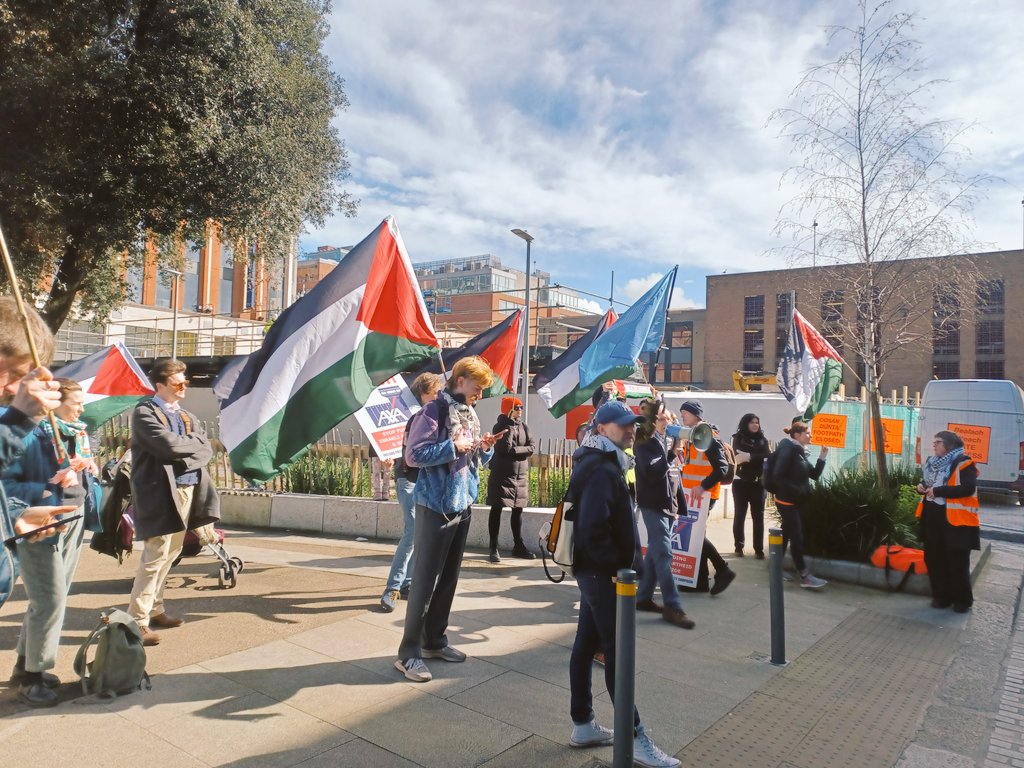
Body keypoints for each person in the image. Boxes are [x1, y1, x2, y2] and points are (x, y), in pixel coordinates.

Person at [567, 399, 679, 768]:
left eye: (632, 424)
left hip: (595, 572)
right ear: (602, 429)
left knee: (586, 645)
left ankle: (583, 724)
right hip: (604, 574)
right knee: (618, 654)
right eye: (622, 425)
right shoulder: (601, 468)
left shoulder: (602, 460)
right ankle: (635, 737)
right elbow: (591, 530)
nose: (631, 429)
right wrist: (620, 569)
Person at [395, 356, 503, 683]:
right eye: (477, 387)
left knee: (449, 579)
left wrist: (483, 448)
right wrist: (452, 445)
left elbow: (473, 458)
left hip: (461, 503)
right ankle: (408, 654)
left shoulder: (468, 413)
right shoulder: (434, 411)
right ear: (460, 380)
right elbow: (414, 455)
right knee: (425, 582)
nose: (480, 395)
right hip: (435, 505)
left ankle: (434, 641)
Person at [3, 378, 102, 707]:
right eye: (76, 401)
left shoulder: (77, 433)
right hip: (41, 521)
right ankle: (32, 679)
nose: (82, 407)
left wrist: (86, 470)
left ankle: (25, 666)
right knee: (50, 599)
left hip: (72, 517)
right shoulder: (31, 431)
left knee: (52, 596)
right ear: (55, 402)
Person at [126, 358, 220, 646]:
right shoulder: (144, 412)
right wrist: (192, 448)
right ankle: (137, 620)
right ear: (160, 385)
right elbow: (166, 446)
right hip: (159, 493)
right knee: (155, 555)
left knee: (171, 553)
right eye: (179, 383)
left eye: (186, 382)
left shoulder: (188, 416)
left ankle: (156, 609)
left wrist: (188, 449)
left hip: (187, 490)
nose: (184, 387)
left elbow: (207, 450)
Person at [380, 372, 444, 613]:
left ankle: (408, 583)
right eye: (433, 392)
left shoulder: (435, 415)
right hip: (408, 478)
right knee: (414, 530)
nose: (438, 395)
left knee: (421, 532)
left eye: (439, 391)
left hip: (424, 480)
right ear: (422, 394)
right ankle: (392, 588)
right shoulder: (416, 415)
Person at [633, 399, 695, 629]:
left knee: (655, 554)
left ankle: (643, 597)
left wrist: (678, 507)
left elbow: (673, 478)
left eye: (669, 418)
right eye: (662, 418)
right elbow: (651, 474)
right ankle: (673, 605)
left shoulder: (664, 440)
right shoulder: (644, 444)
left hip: (667, 506)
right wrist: (670, 454)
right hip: (653, 506)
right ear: (652, 422)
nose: (668, 422)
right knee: (664, 555)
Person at [677, 400, 736, 595]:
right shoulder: (694, 435)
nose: (682, 415)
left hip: (703, 495)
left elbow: (721, 468)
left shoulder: (706, 436)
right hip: (694, 495)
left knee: (696, 536)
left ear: (696, 415)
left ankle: (722, 569)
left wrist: (702, 487)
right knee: (695, 535)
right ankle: (700, 581)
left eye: (685, 412)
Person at [916, 430, 979, 612]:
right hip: (932, 518)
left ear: (949, 445)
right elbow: (930, 483)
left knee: (957, 562)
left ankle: (961, 601)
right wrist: (922, 487)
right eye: (934, 441)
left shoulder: (964, 462)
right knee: (933, 558)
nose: (934, 445)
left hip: (956, 523)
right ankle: (941, 597)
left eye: (938, 442)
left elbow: (967, 488)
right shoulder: (932, 463)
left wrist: (938, 491)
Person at [772, 421, 828, 589]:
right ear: (797, 435)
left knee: (787, 534)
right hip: (786, 501)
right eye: (808, 433)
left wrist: (822, 457)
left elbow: (814, 475)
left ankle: (775, 569)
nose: (811, 436)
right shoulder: (788, 451)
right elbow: (777, 476)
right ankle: (805, 575)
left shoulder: (800, 453)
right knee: (797, 537)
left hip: (795, 502)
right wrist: (796, 490)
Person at [486, 396, 536, 562]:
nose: (520, 410)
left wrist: (516, 450)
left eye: (521, 407)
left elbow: (532, 447)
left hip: (520, 476)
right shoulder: (500, 426)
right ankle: (493, 547)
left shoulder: (525, 427)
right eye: (516, 407)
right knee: (497, 509)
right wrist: (510, 429)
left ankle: (518, 545)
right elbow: (504, 448)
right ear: (508, 409)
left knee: (517, 511)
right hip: (502, 474)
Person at [731, 413, 771, 559]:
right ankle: (738, 547)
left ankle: (758, 549)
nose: (755, 425)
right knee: (740, 515)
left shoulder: (762, 439)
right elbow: (738, 457)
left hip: (758, 484)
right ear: (745, 423)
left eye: (757, 422)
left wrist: (749, 456)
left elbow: (768, 455)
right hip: (741, 483)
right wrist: (755, 457)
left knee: (758, 517)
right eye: (752, 422)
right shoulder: (738, 438)